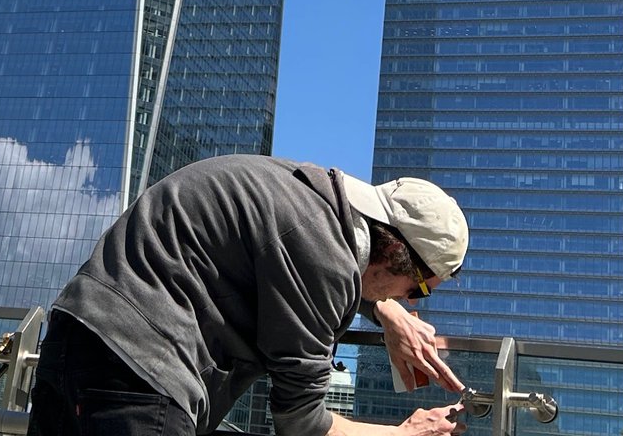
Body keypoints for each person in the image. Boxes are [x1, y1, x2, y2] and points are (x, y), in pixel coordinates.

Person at [26, 155, 469, 436]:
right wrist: (403, 433)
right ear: (397, 254)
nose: (412, 302)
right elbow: (302, 423)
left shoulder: (307, 195)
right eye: (420, 289)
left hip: (74, 340)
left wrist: (384, 310)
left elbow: (294, 263)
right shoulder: (324, 258)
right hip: (141, 378)